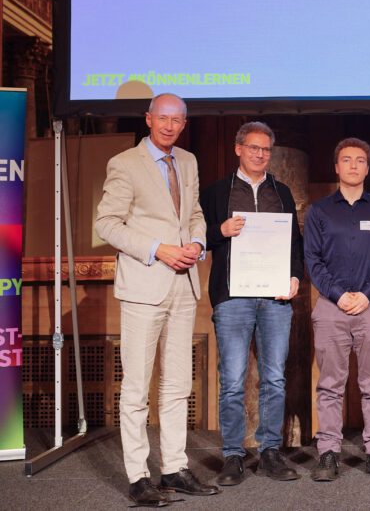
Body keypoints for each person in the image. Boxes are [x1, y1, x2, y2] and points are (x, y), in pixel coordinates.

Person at [95, 93, 219, 506]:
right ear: (148, 119)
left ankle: (174, 468)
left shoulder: (188, 161)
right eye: (162, 118)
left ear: (184, 124)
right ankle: (138, 477)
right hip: (144, 285)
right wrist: (157, 249)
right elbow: (106, 223)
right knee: (136, 388)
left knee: (178, 384)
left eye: (176, 120)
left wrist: (197, 243)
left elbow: (195, 214)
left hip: (184, 285)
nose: (169, 126)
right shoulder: (125, 163)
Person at [199, 122, 304, 486]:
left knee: (274, 378)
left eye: (266, 149)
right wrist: (220, 231)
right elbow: (197, 238)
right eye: (254, 148)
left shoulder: (281, 191)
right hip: (232, 298)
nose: (260, 154)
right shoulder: (217, 192)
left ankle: (271, 451)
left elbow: (294, 243)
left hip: (275, 298)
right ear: (238, 149)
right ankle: (233, 455)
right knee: (232, 379)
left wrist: (294, 277)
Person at [304, 138, 370, 481]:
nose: (354, 165)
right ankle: (328, 452)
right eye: (347, 160)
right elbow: (312, 259)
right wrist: (338, 294)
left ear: (367, 168)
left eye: (360, 160)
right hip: (331, 306)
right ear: (336, 167)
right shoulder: (319, 211)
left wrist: (367, 294)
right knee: (330, 384)